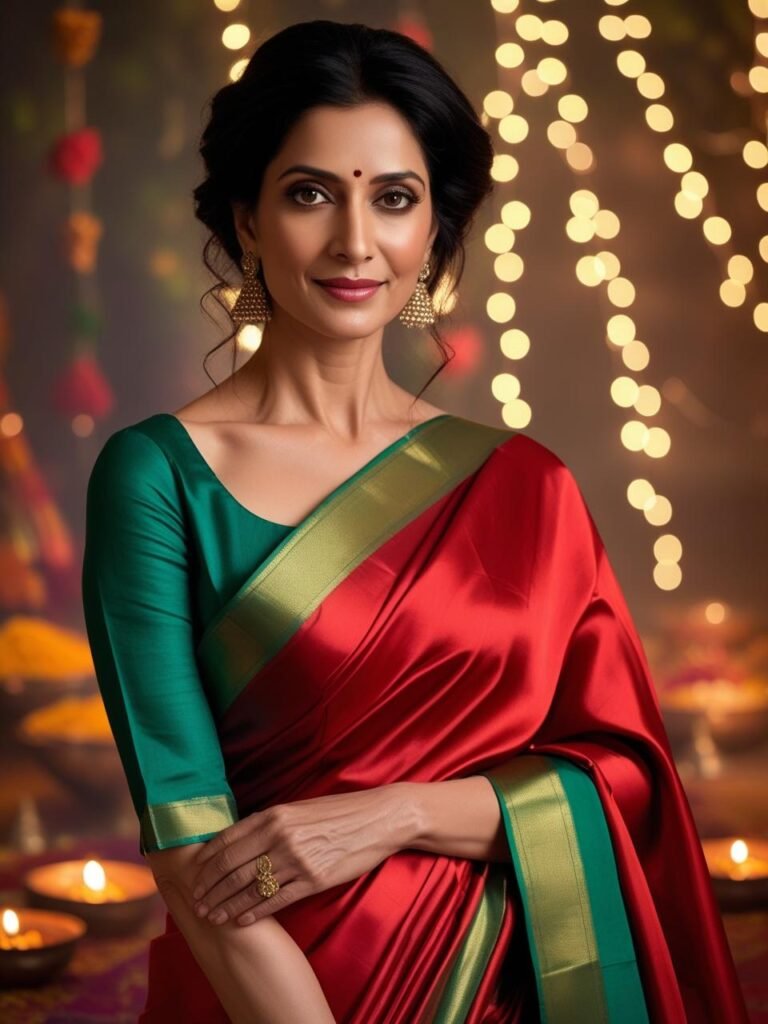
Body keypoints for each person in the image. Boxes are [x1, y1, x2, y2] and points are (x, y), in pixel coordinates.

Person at [81, 19, 749, 1024]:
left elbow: (625, 779)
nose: (357, 243)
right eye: (311, 194)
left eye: (394, 199)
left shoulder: (528, 485)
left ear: (436, 228)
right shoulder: (161, 477)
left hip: (513, 983)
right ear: (248, 217)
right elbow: (193, 861)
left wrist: (392, 815)